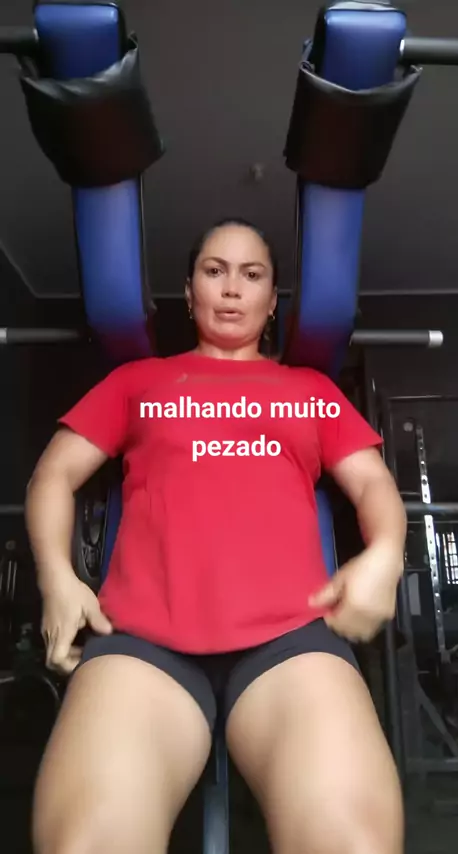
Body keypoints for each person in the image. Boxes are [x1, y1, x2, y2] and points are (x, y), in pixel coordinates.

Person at [25, 218, 407, 854]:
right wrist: (56, 579)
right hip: (144, 644)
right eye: (214, 271)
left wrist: (386, 554)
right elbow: (54, 475)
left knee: (351, 844)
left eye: (251, 275)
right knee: (86, 846)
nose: (232, 289)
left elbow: (372, 485)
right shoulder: (138, 382)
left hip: (290, 641)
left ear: (271, 300)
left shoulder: (308, 391)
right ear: (189, 290)